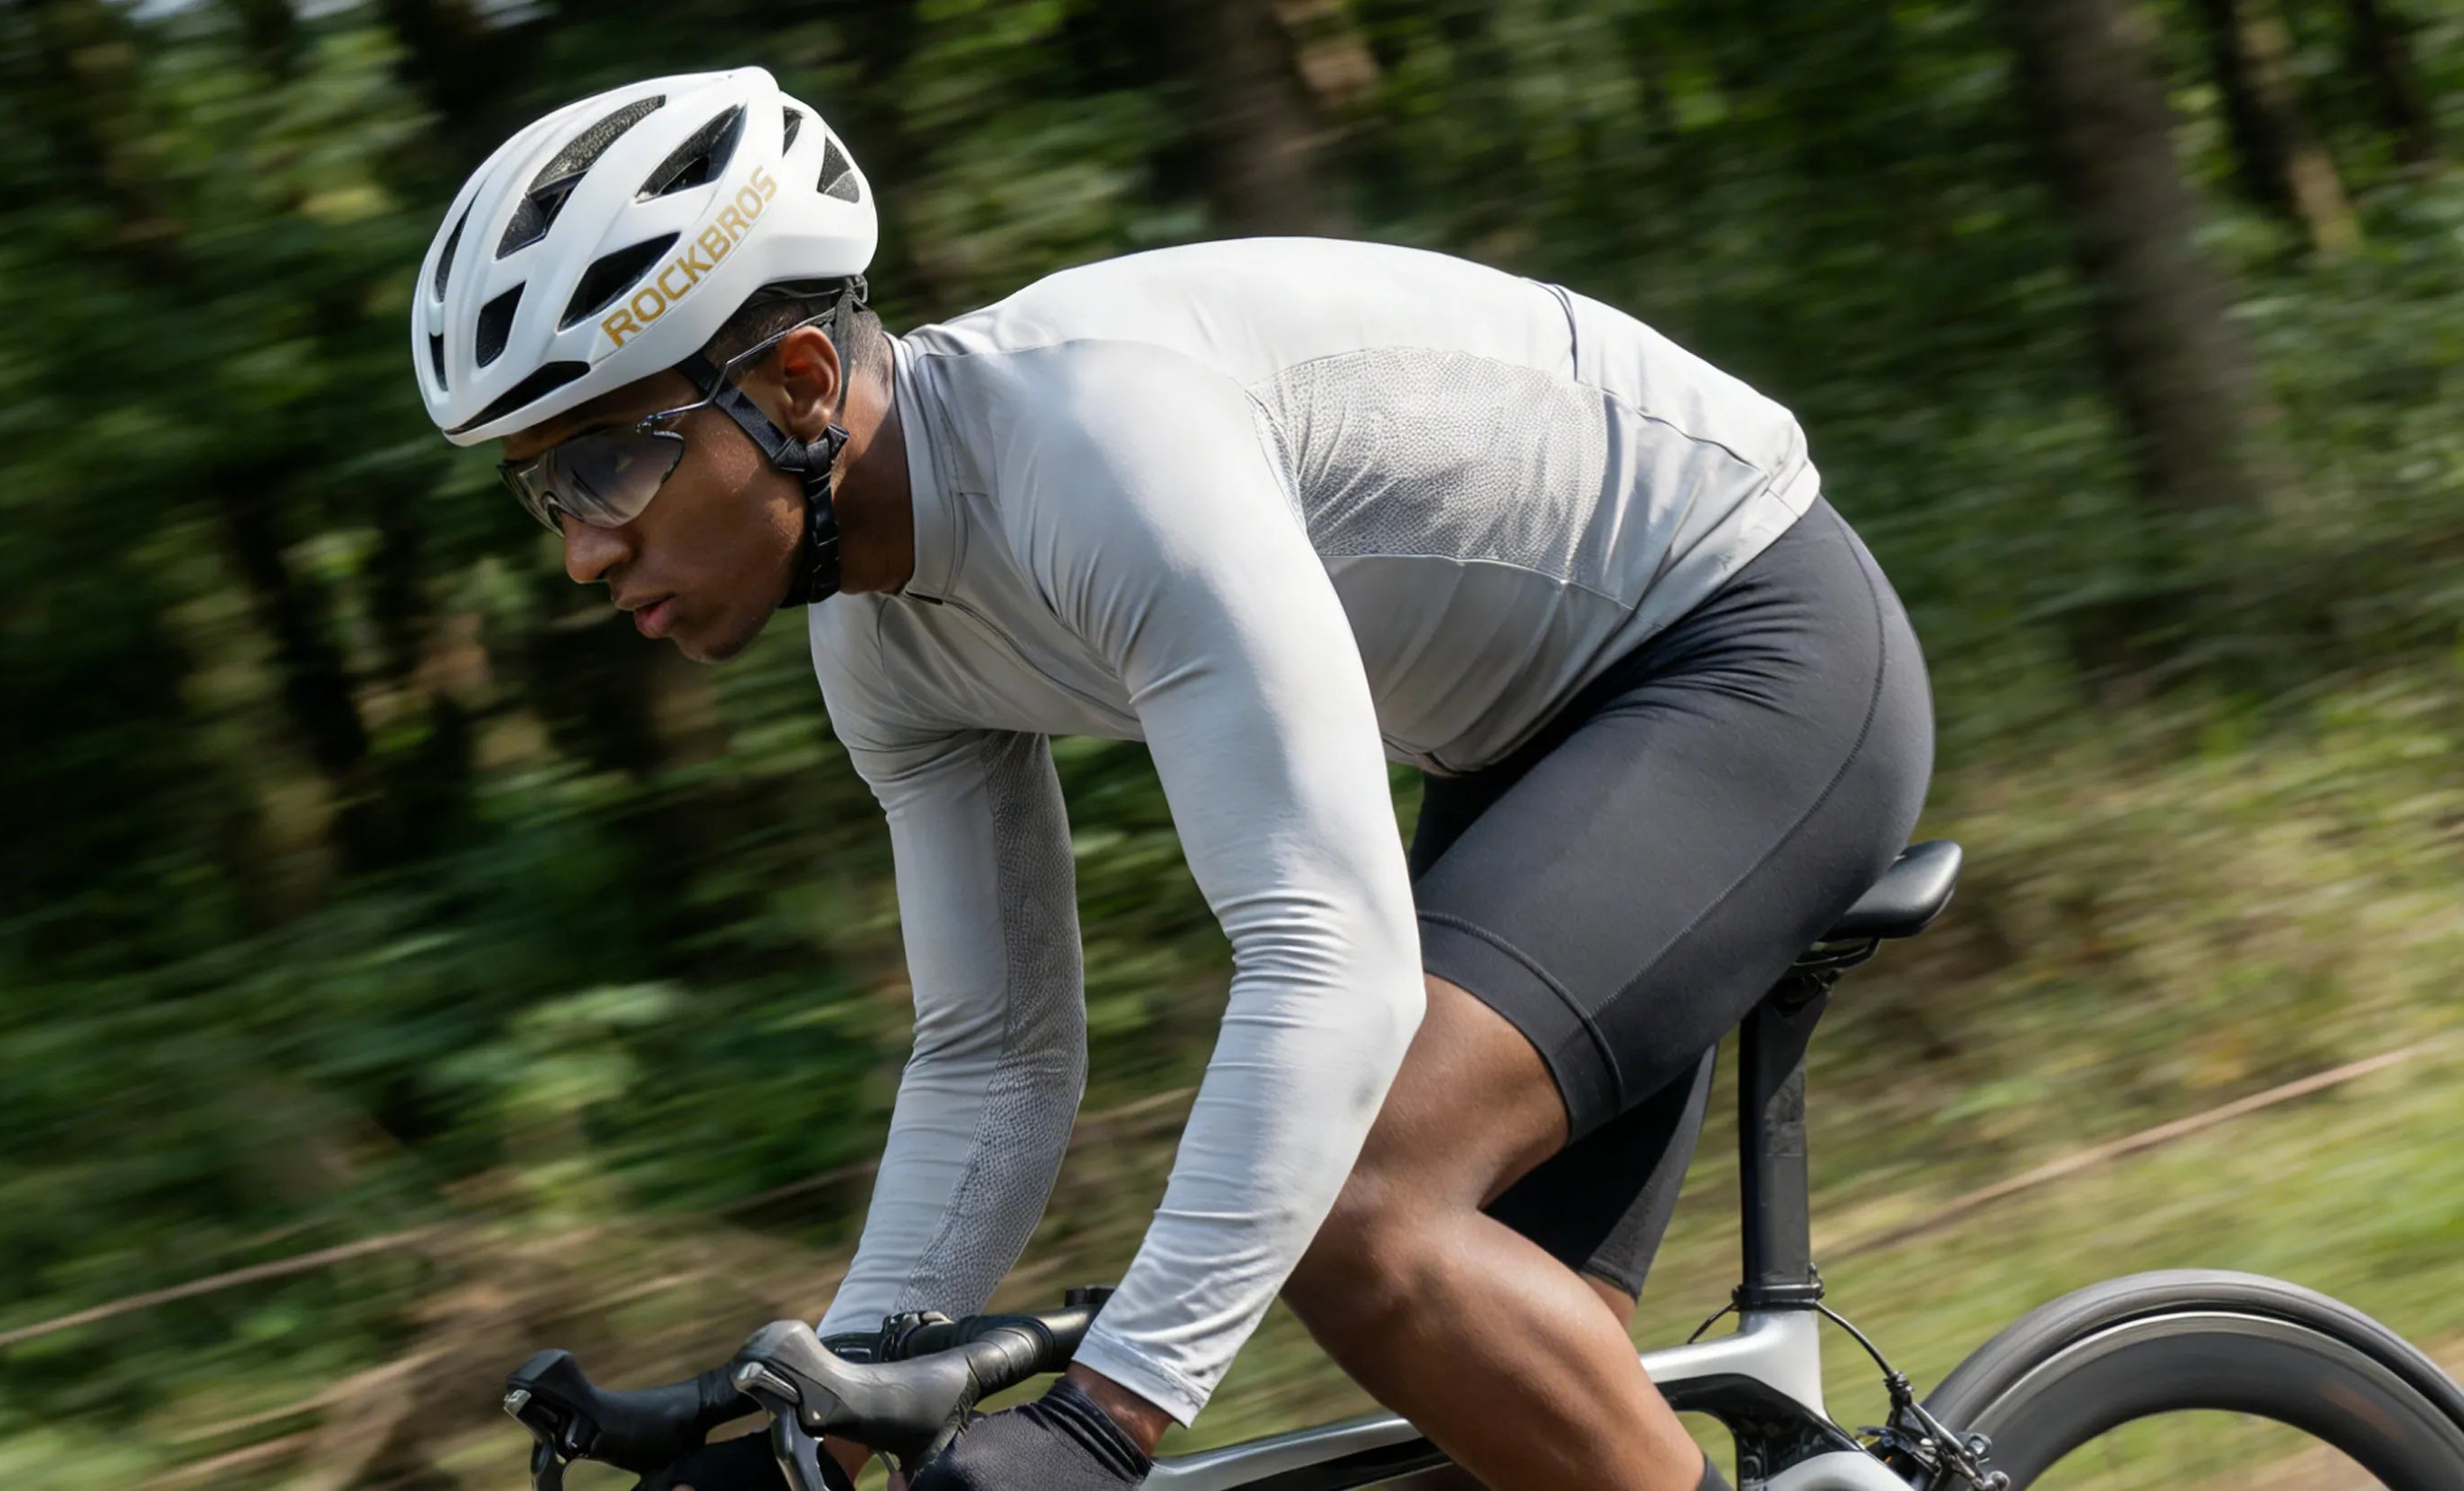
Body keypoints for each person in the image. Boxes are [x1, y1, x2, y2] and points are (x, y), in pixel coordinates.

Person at [412, 67, 1933, 1491]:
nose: (581, 548)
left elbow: (1323, 954)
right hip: (1531, 745)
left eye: (610, 462)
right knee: (1498, 1418)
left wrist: (1108, 1417)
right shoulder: (880, 646)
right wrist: (828, 1416)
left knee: (1363, 1218)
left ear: (801, 384)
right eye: (544, 487)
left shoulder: (1102, 450)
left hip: (1751, 647)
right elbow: (997, 1054)